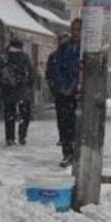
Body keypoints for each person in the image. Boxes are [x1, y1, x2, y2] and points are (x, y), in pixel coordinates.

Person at [47, 18, 81, 167]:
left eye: (78, 30)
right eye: (73, 29)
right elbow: (56, 68)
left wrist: (73, 86)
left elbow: (82, 71)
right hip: (63, 92)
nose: (75, 33)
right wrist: (61, 86)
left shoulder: (85, 49)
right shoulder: (64, 48)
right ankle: (67, 153)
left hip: (77, 93)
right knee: (63, 122)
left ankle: (76, 151)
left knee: (76, 123)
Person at [0, 38, 35, 145]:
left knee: (9, 114)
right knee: (24, 114)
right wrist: (29, 85)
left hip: (8, 90)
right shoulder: (24, 57)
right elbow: (31, 73)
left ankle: (10, 138)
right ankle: (22, 136)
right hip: (22, 90)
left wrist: (3, 84)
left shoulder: (4, 57)